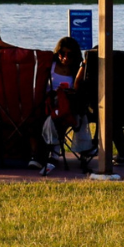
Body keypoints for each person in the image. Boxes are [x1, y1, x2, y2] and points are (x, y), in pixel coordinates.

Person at [41, 36, 93, 166]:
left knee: (80, 114)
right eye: (62, 53)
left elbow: (78, 88)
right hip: (51, 104)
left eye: (70, 55)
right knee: (55, 117)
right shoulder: (50, 66)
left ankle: (83, 151)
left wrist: (82, 69)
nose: (65, 58)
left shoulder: (76, 69)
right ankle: (54, 152)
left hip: (70, 105)